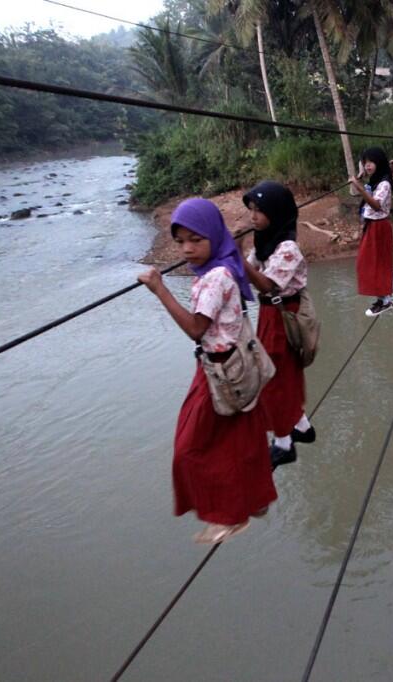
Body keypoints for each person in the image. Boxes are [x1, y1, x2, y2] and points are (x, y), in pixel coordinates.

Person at [137, 198, 278, 545]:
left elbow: (197, 329)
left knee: (191, 448)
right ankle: (255, 501)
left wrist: (160, 290)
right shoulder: (227, 263)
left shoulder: (215, 278)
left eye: (196, 240)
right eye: (180, 241)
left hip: (220, 373)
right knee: (243, 441)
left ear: (214, 237)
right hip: (237, 367)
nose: (187, 249)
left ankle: (227, 517)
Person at [242, 181, 315, 471]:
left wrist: (237, 258)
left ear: (277, 212)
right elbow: (249, 270)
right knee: (286, 373)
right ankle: (302, 426)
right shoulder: (266, 241)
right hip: (274, 314)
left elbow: (267, 284)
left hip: (284, 315)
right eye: (251, 210)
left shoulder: (288, 248)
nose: (253, 217)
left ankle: (284, 443)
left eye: (260, 211)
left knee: (272, 379)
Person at [350, 147, 393, 317]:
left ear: (379, 162)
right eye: (365, 163)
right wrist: (361, 180)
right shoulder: (375, 181)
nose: (367, 166)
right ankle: (382, 299)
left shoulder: (384, 183)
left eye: (370, 162)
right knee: (367, 263)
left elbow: (376, 205)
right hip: (372, 226)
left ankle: (385, 301)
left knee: (377, 264)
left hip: (379, 227)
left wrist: (359, 187)